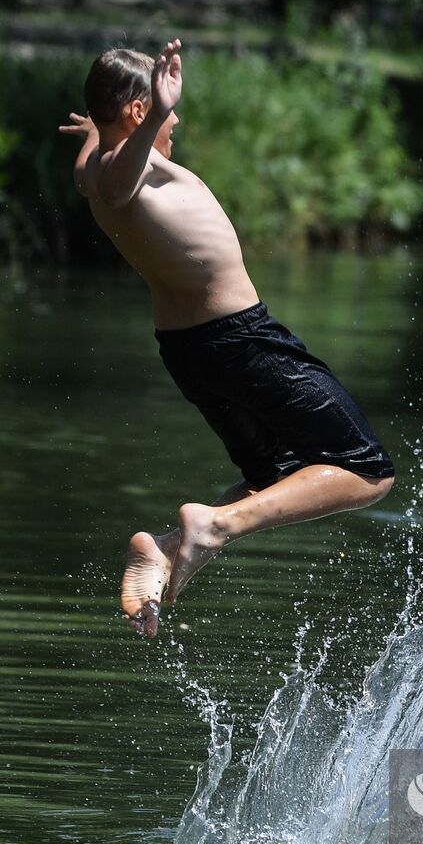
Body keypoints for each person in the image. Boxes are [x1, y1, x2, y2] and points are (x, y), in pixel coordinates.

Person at [58, 41, 396, 637]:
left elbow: (100, 162)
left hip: (191, 351)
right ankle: (213, 527)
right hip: (240, 343)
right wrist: (159, 111)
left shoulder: (93, 164)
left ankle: (168, 547)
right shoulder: (118, 175)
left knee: (279, 476)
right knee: (368, 470)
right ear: (137, 112)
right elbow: (119, 183)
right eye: (165, 113)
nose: (177, 123)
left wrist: (96, 129)